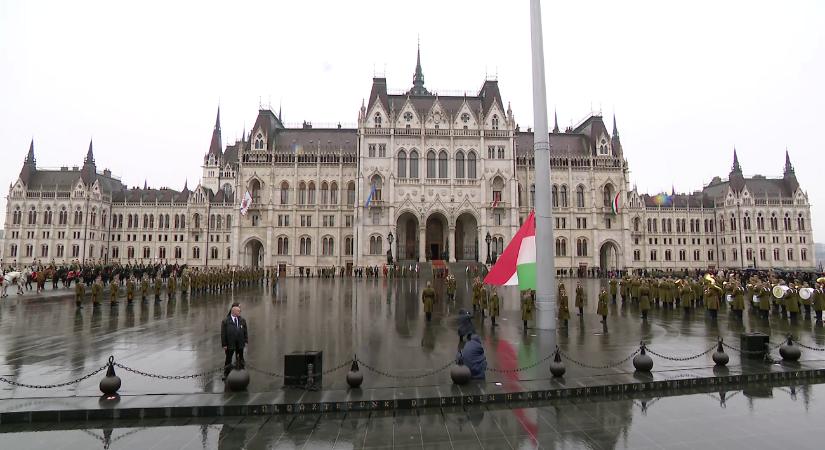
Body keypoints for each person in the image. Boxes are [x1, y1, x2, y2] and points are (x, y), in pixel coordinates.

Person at [221, 305, 248, 379]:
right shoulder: (225, 321)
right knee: (228, 359)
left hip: (240, 343)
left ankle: (242, 372)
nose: (240, 312)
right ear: (233, 312)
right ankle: (226, 374)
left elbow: (245, 331)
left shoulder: (242, 320)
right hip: (230, 343)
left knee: (240, 358)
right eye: (238, 311)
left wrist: (246, 340)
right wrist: (224, 344)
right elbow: (223, 334)